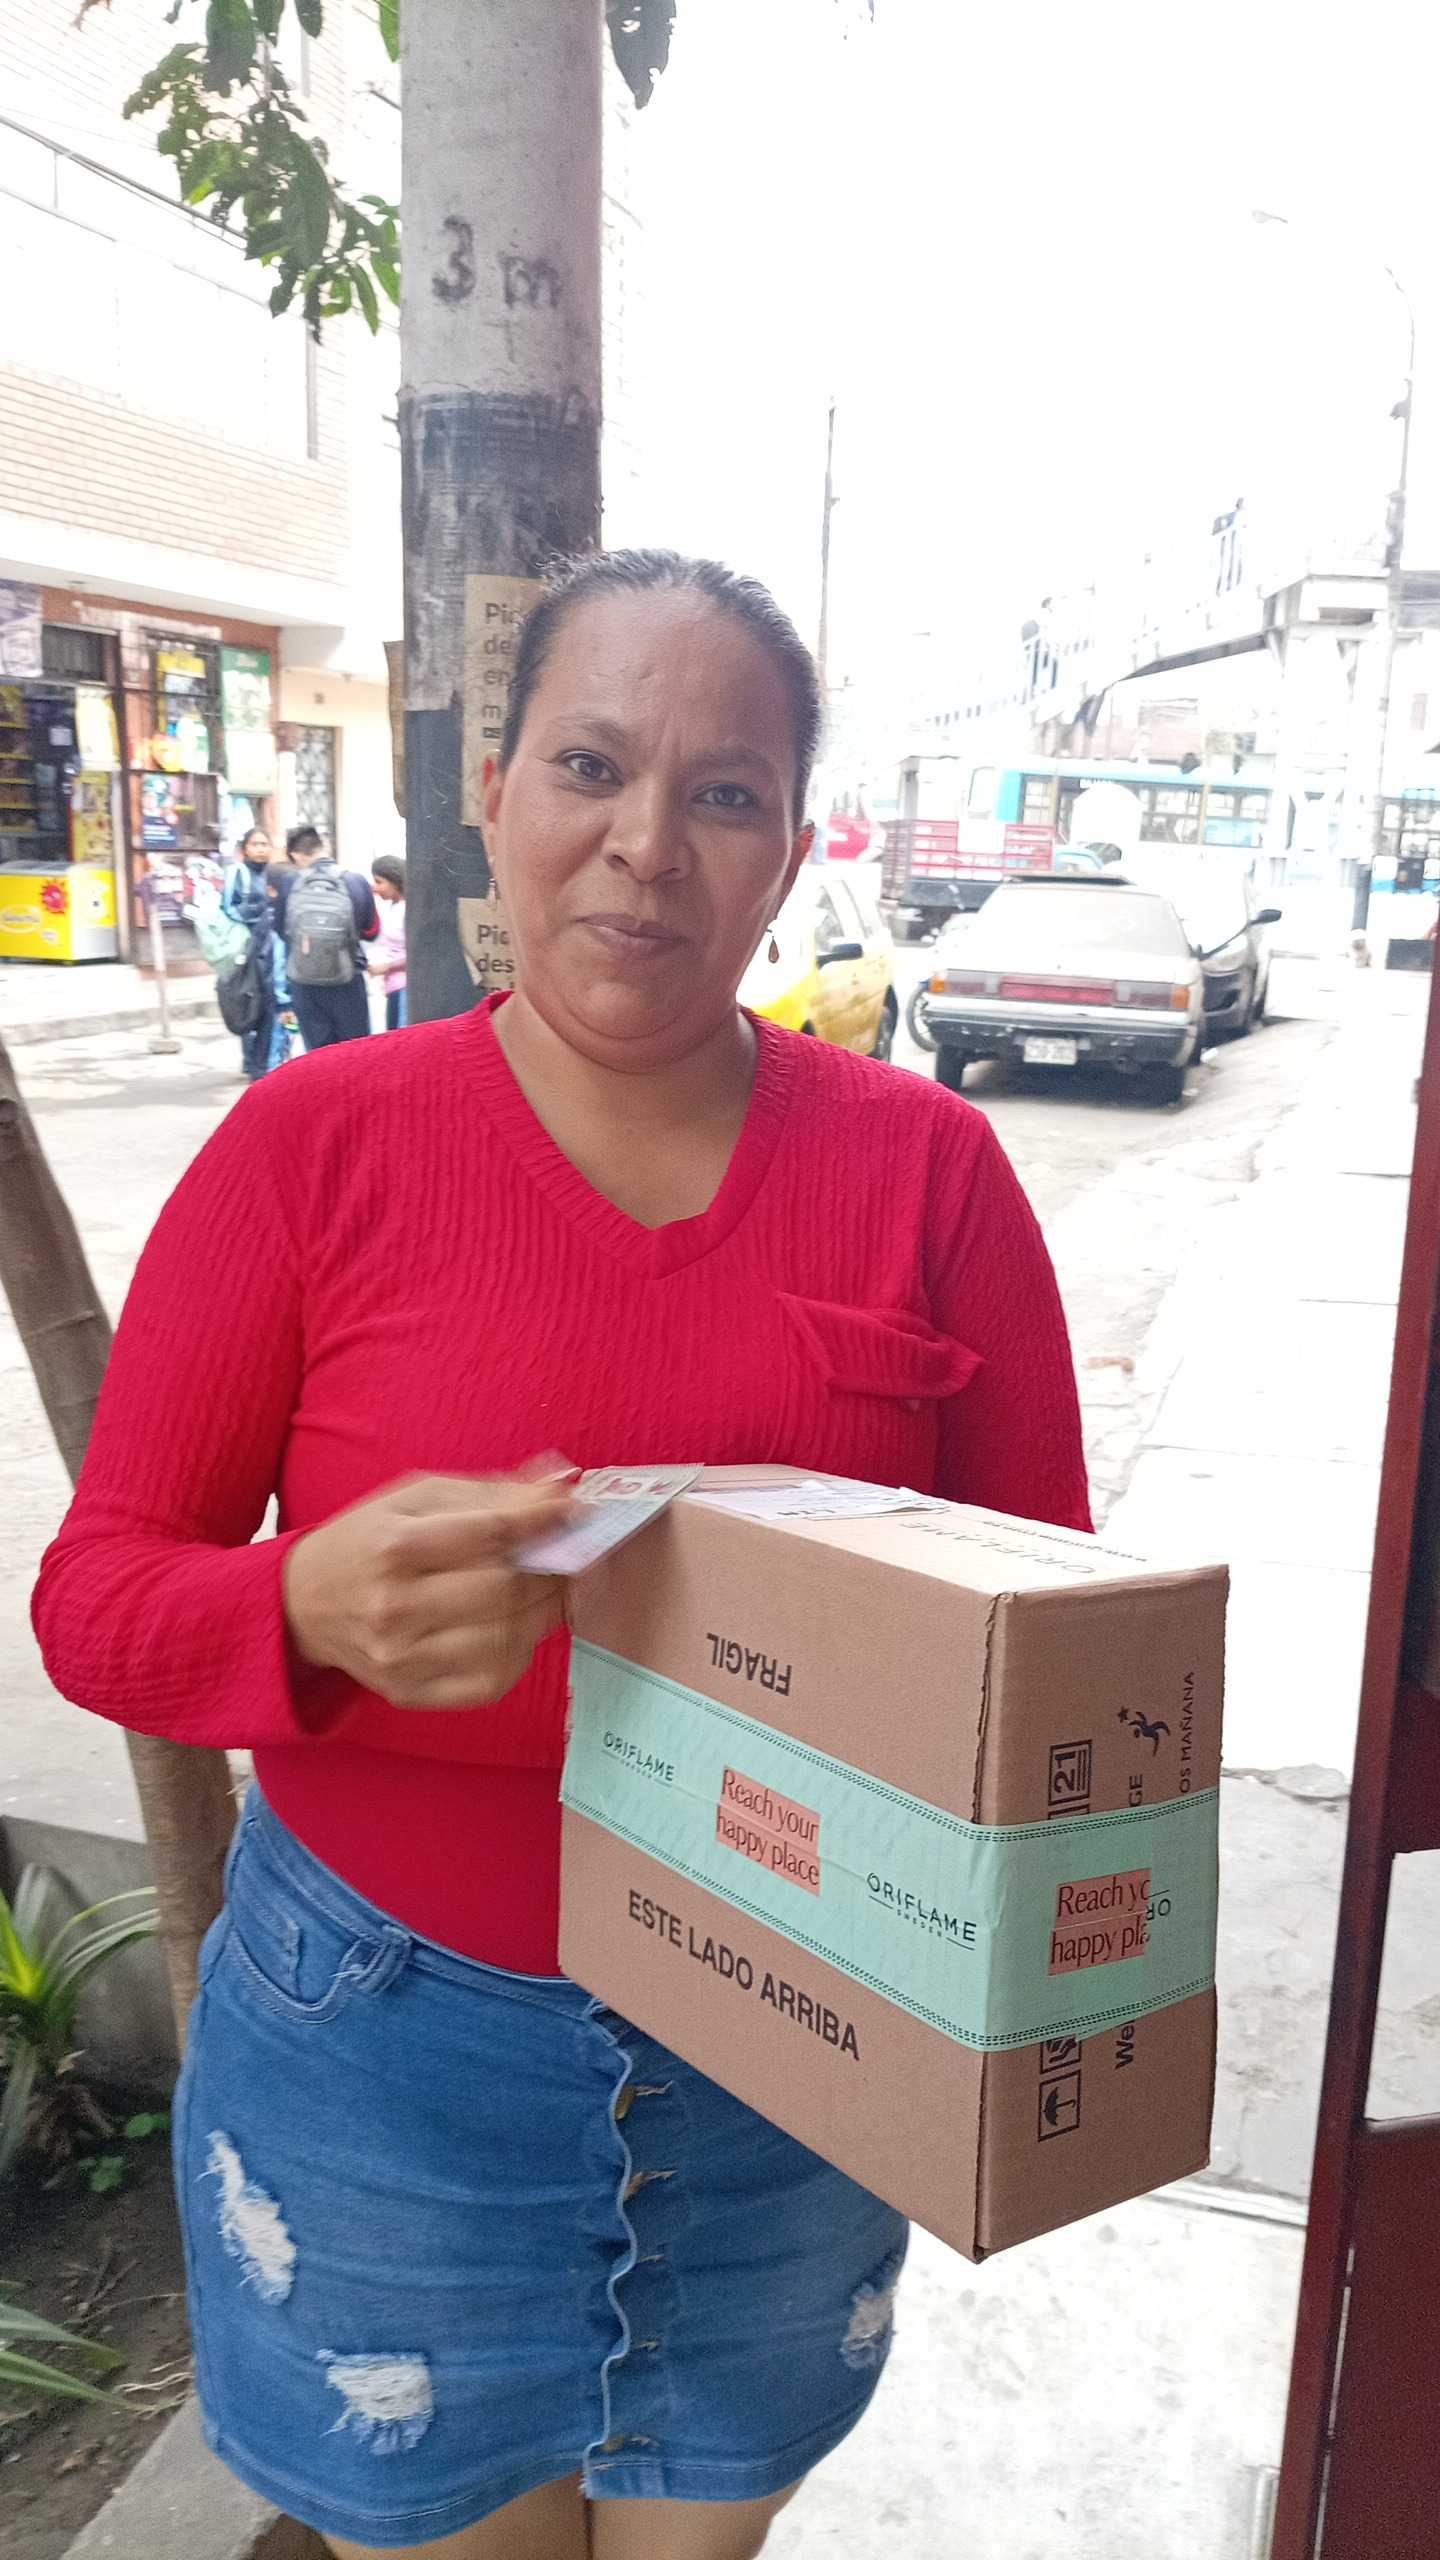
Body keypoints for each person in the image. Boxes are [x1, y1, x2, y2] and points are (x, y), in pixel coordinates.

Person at [33, 551, 1090, 2560]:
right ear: (492, 791)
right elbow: (97, 1598)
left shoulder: (927, 1172)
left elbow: (1049, 1633)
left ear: (793, 849)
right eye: (592, 765)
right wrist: (298, 1605)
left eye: (724, 794)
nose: (646, 844)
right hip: (390, 2056)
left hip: (795, 2054)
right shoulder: (314, 1149)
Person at [280, 824, 378, 1050]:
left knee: (318, 1056)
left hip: (304, 983)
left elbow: (281, 931)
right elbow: (372, 931)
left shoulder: (290, 883)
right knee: (355, 1052)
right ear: (323, 846)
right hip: (348, 979)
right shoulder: (355, 881)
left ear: (296, 854)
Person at [219, 828, 291, 1081]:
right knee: (250, 1002)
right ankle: (254, 1063)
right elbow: (229, 908)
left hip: (270, 950)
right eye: (255, 844)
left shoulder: (275, 874)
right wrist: (261, 913)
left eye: (264, 844)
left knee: (269, 1005)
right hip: (247, 949)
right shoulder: (237, 873)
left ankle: (264, 1062)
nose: (260, 849)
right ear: (245, 848)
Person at [370, 853, 408, 1028]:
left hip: (404, 988)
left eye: (379, 882)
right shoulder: (393, 907)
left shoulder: (407, 909)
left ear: (394, 881)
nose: (375, 887)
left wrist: (386, 967)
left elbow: (417, 954)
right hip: (392, 986)